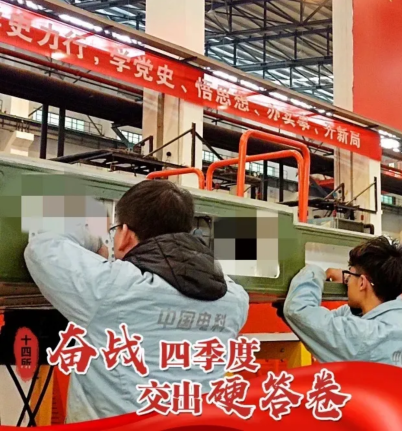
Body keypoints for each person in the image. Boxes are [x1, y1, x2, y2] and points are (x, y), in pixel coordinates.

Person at [24, 180, 249, 423]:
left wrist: (96, 239)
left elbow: (44, 247)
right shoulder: (234, 300)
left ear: (125, 235)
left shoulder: (113, 288)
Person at [282, 236, 402, 373]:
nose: (348, 282)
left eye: (351, 276)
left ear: (362, 283)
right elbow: (388, 300)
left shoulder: (363, 337)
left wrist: (316, 271)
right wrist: (354, 278)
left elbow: (298, 309)